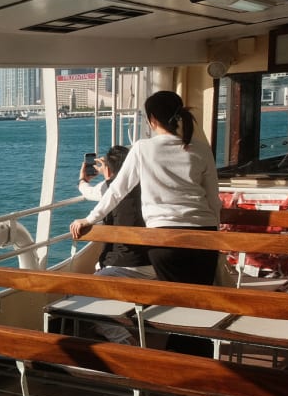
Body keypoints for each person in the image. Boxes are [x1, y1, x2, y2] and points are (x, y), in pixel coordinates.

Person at [69, 91, 221, 354]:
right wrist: (217, 237)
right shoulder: (200, 148)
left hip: (164, 239)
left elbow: (116, 191)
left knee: (177, 305)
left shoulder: (142, 148)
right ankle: (198, 359)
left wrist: (89, 219)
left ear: (151, 119)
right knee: (198, 304)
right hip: (205, 238)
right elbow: (213, 199)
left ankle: (183, 366)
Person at [77, 145, 153, 344]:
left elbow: (87, 191)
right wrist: (109, 173)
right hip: (155, 267)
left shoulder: (108, 188)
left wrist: (84, 178)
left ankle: (125, 342)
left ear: (109, 170)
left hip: (125, 267)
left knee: (84, 297)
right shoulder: (149, 187)